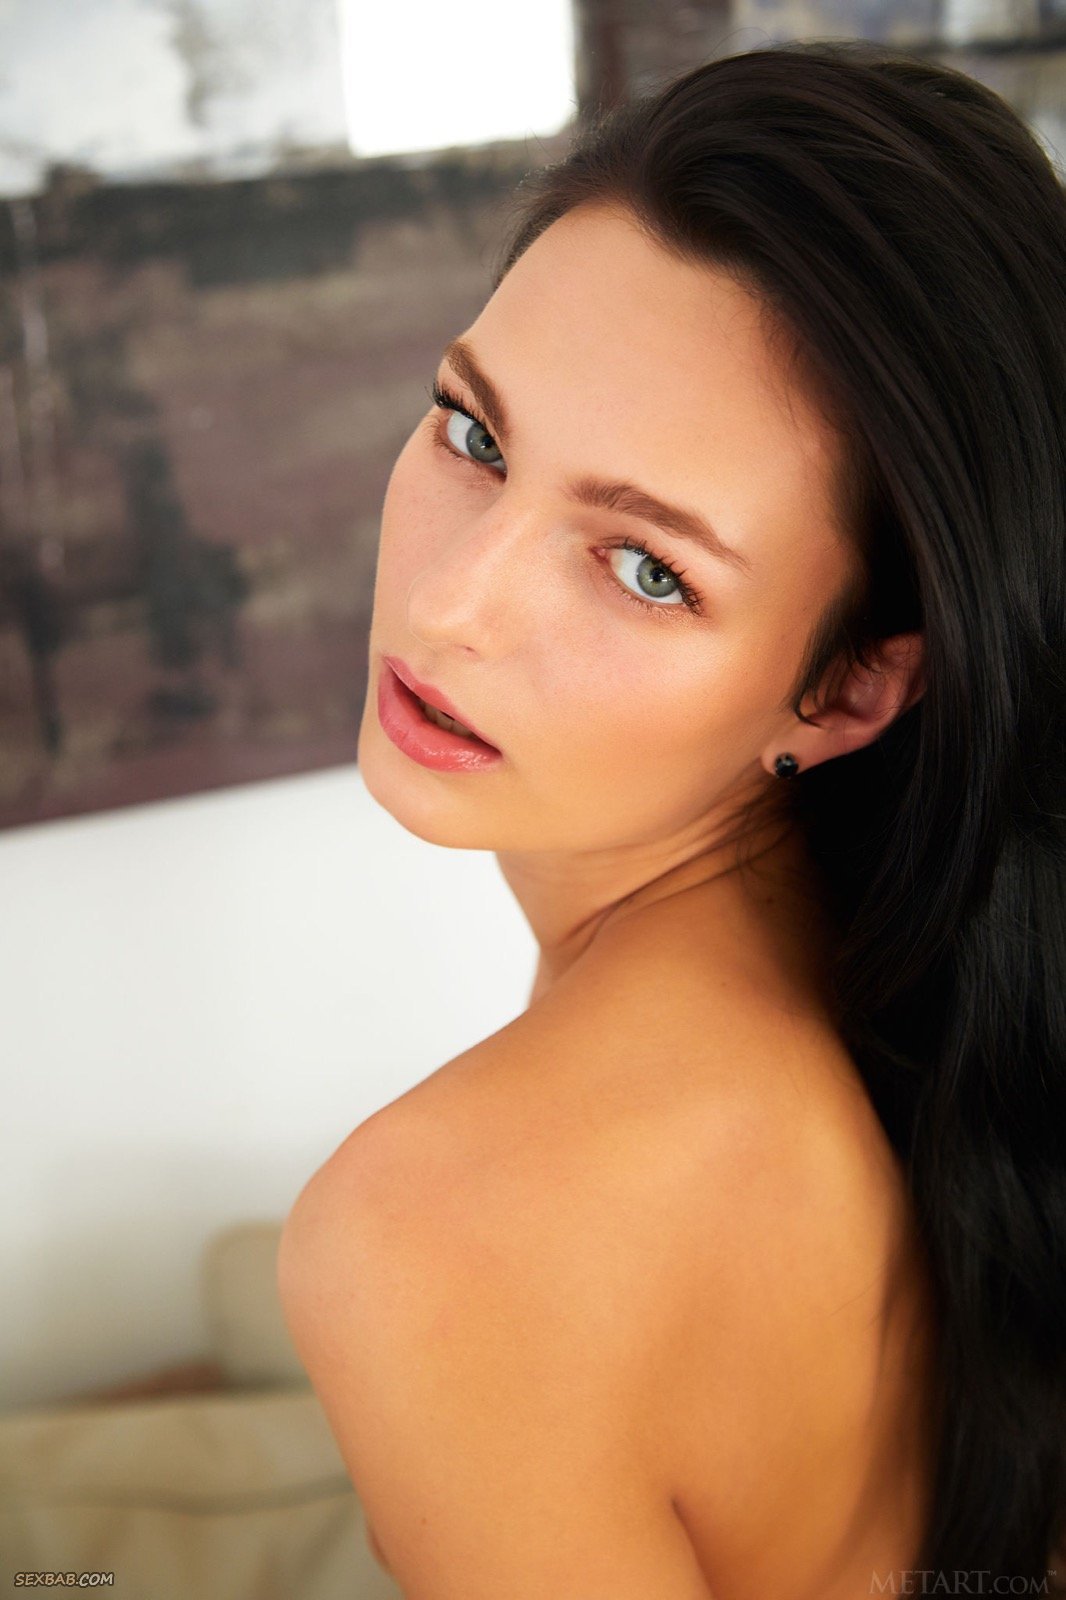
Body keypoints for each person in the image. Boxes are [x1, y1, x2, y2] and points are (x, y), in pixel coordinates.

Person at [277, 39, 1066, 1598]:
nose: (449, 606)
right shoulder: (919, 1015)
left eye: (647, 569)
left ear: (843, 688)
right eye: (474, 435)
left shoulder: (439, 1226)